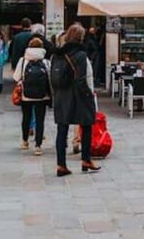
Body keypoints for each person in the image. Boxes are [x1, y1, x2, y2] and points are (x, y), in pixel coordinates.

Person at [51, 23, 99, 177]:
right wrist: (89, 96)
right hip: (79, 96)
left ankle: (61, 165)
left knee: (62, 130)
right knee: (86, 126)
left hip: (61, 95)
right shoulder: (80, 55)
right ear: (81, 38)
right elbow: (81, 79)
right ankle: (86, 160)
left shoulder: (57, 54)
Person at [14, 37, 52, 155]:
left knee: (26, 117)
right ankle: (38, 146)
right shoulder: (45, 62)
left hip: (26, 95)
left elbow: (16, 77)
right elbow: (50, 79)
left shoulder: (23, 60)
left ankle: (25, 141)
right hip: (42, 96)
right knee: (40, 120)